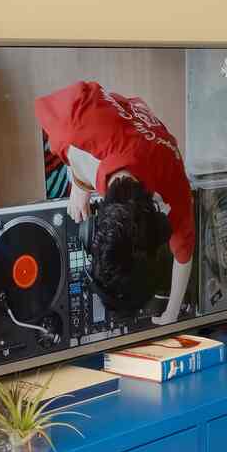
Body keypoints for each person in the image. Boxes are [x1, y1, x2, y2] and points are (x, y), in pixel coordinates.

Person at [35, 81, 194, 323]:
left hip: (139, 129)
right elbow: (43, 107)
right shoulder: (71, 128)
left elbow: (184, 251)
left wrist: (171, 314)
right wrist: (79, 184)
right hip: (107, 118)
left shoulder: (174, 180)